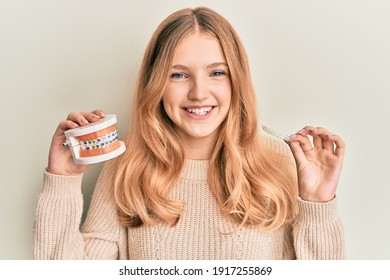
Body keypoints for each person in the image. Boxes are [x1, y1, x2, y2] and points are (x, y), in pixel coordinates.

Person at [33, 6, 346, 260]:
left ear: (237, 80)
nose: (199, 92)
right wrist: (62, 180)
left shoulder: (279, 162)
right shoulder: (126, 166)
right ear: (156, 84)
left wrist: (317, 205)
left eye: (217, 73)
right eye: (178, 74)